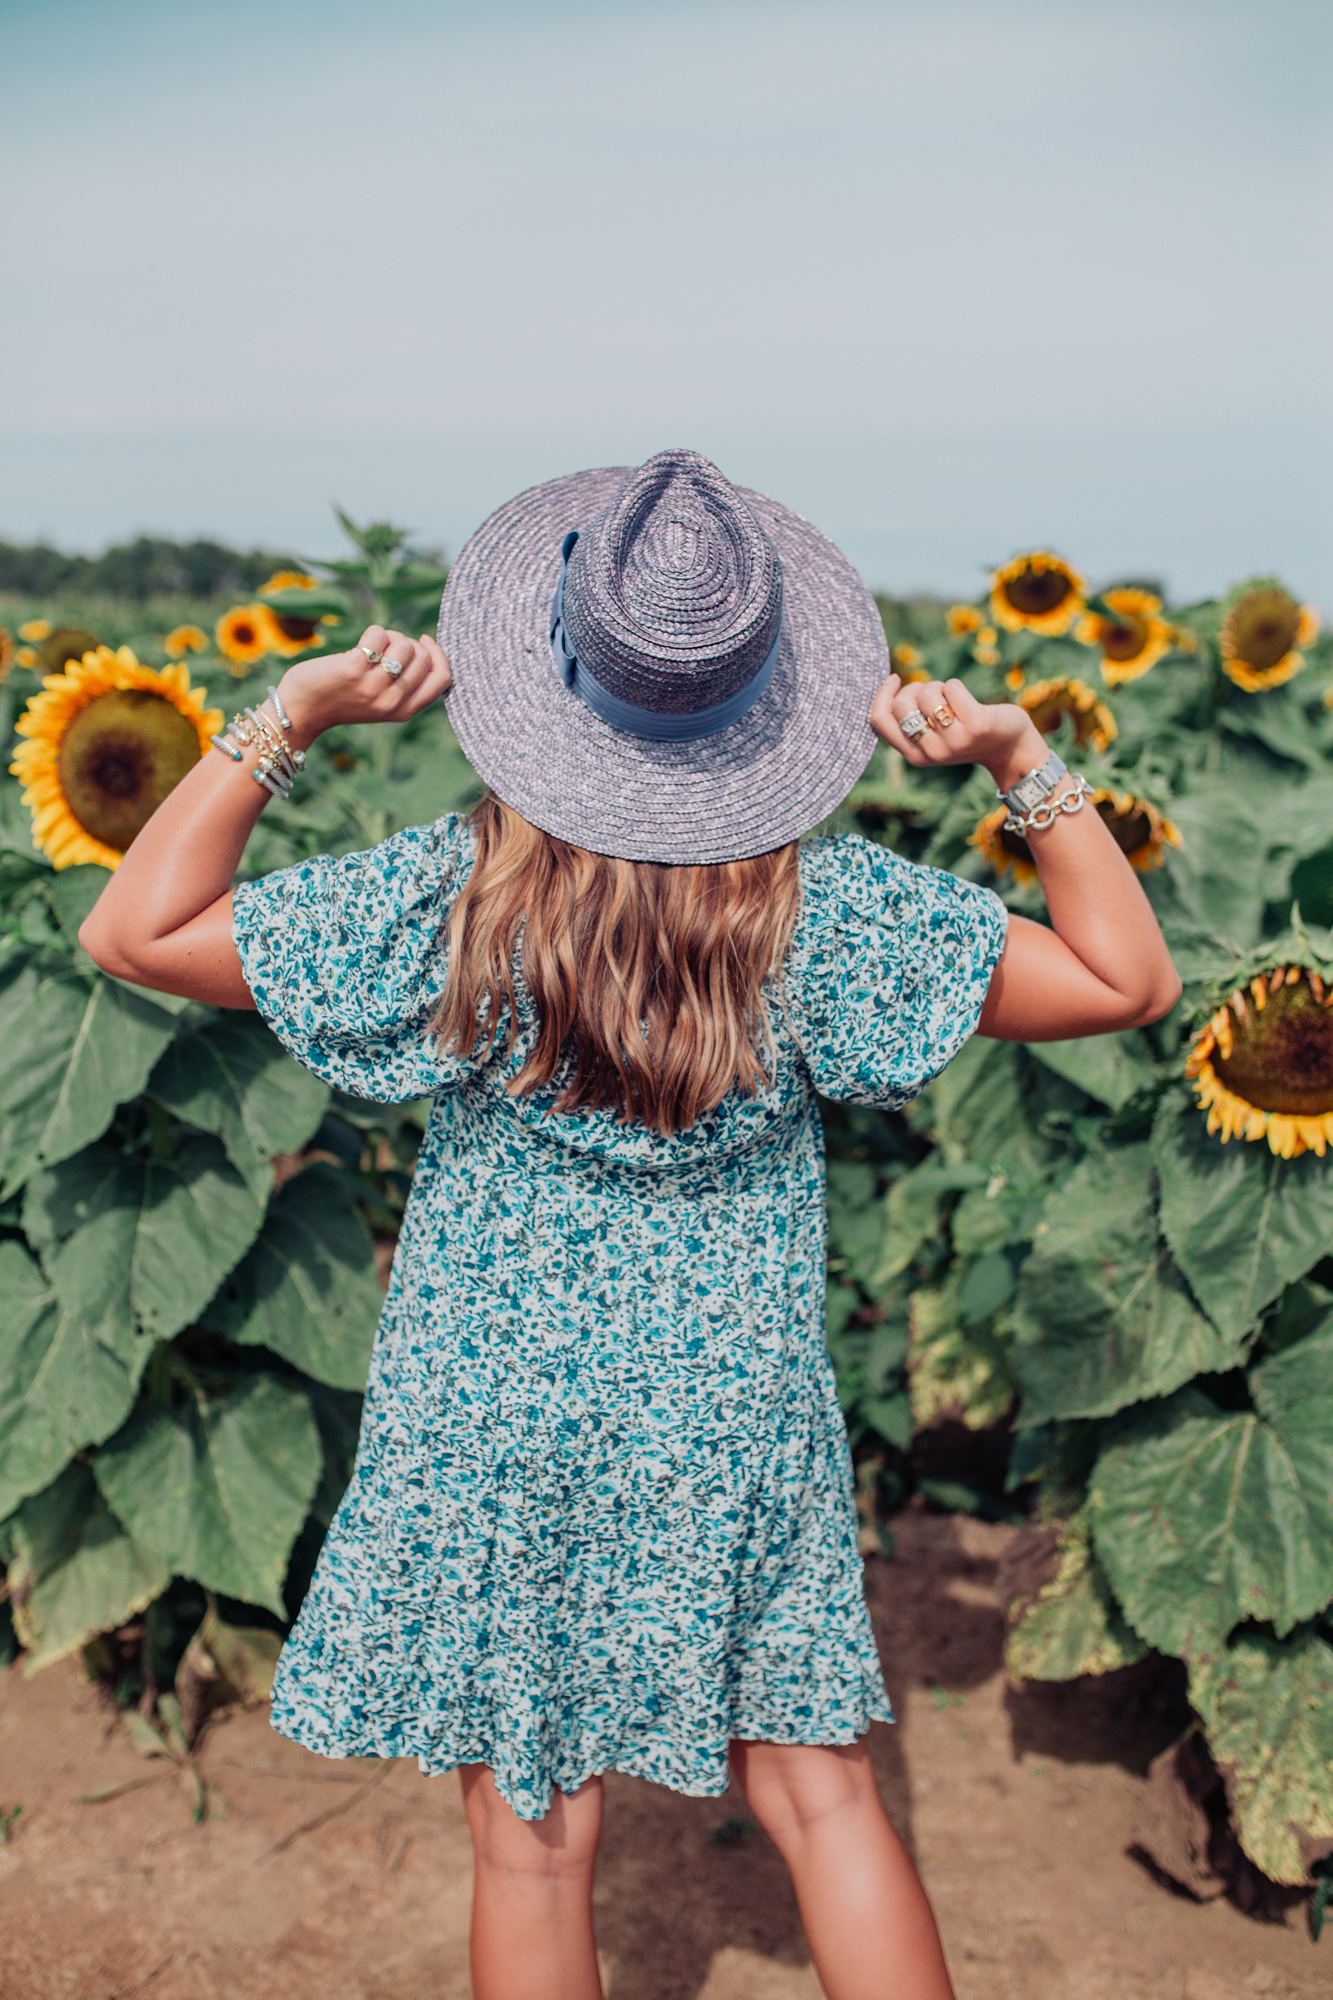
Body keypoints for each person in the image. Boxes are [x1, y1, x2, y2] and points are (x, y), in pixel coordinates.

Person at [81, 449, 1180, 2000]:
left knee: (534, 1846)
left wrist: (293, 718)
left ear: (551, 680)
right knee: (819, 1795)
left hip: (493, 1401)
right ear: (763, 706)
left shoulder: (457, 898)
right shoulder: (827, 910)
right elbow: (1130, 982)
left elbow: (130, 931)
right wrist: (1020, 759)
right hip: (730, 1398)